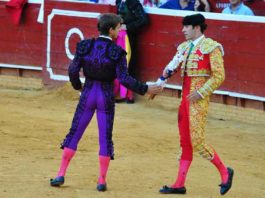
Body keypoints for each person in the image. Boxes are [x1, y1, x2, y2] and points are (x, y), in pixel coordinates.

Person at [49, 13, 161, 192]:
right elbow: (124, 79)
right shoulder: (117, 52)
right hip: (106, 96)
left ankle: (60, 173)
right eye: (118, 27)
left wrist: (78, 87)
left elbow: (72, 70)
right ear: (111, 30)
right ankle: (101, 180)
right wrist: (145, 88)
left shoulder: (85, 46)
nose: (120, 30)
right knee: (105, 138)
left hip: (88, 94)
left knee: (75, 132)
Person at [152, 14, 234, 195]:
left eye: (186, 27)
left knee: (197, 141)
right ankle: (179, 184)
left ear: (197, 27)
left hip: (198, 101)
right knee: (185, 142)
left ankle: (224, 171)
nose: (183, 30)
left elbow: (219, 76)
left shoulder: (212, 47)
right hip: (185, 101)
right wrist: (159, 83)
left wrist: (201, 92)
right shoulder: (183, 47)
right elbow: (170, 69)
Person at [115, 0, 149, 103]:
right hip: (120, 36)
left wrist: (128, 27)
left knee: (129, 63)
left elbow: (144, 20)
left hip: (130, 38)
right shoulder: (119, 1)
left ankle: (129, 95)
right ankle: (120, 93)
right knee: (119, 63)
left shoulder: (133, 2)